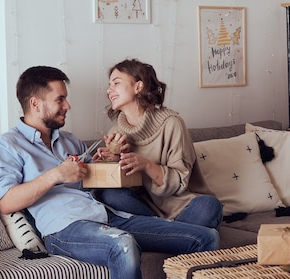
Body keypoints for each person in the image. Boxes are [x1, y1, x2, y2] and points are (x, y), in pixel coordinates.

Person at [0, 66, 220, 279]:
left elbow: (94, 182)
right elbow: (7, 201)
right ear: (35, 103)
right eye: (61, 99)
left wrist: (107, 156)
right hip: (65, 230)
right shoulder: (8, 146)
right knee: (123, 246)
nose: (67, 106)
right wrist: (56, 175)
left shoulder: (67, 140)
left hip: (105, 215)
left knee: (206, 238)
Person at [96, 58, 223, 229]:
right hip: (145, 210)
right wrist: (112, 161)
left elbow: (180, 181)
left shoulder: (172, 123)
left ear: (138, 86)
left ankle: (162, 233)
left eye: (116, 83)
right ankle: (177, 235)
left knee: (209, 207)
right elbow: (126, 192)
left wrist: (146, 165)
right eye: (109, 85)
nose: (109, 90)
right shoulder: (115, 134)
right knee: (110, 195)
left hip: (184, 207)